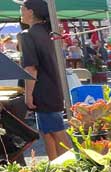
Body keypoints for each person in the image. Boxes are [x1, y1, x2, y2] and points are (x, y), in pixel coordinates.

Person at [16, 0, 71, 160]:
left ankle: (76, 169)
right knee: (48, 132)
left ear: (31, 12)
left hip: (42, 90)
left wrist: (28, 95)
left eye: (22, 8)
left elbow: (31, 68)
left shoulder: (27, 35)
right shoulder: (51, 33)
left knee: (56, 131)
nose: (20, 11)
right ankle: (56, 168)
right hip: (55, 87)